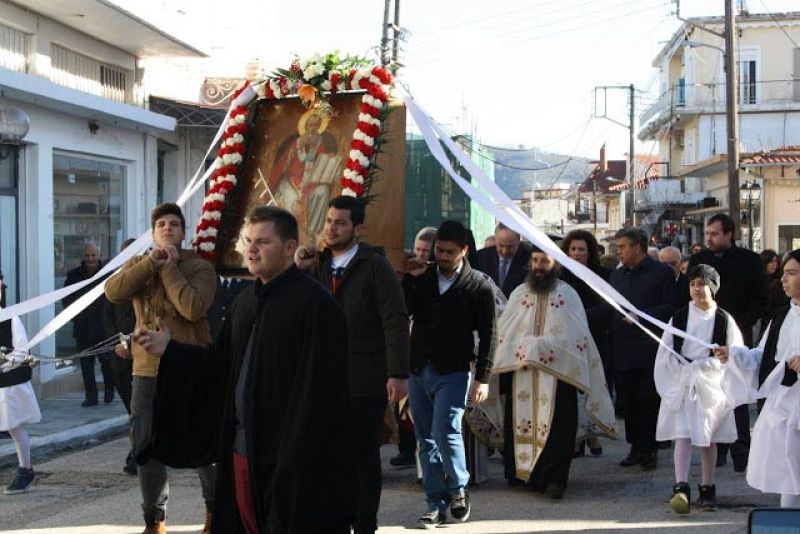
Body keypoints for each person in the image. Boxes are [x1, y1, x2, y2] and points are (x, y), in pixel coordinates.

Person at [134, 206, 354, 533]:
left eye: (263, 242)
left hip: (290, 458)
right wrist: (171, 350)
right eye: (249, 240)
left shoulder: (316, 306)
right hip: (241, 450)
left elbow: (320, 394)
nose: (251, 249)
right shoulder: (245, 302)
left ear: (290, 247)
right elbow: (219, 365)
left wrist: (296, 458)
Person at [295, 195, 409, 534]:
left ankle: (364, 525)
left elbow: (395, 320)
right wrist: (298, 268)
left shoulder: (374, 266)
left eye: (340, 222)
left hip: (365, 377)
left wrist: (397, 372)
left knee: (362, 456)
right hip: (322, 376)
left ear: (357, 228)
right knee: (328, 456)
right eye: (329, 221)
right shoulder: (315, 265)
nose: (331, 228)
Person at [105, 203, 217, 534]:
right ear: (153, 233)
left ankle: (215, 512)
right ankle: (155, 520)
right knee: (144, 443)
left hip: (188, 368)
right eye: (161, 225)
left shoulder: (199, 268)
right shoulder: (141, 264)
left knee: (201, 443)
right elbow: (113, 292)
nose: (167, 229)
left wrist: (169, 268)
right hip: (146, 370)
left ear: (184, 233)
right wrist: (150, 264)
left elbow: (193, 308)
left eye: (174, 225)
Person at [492, 245, 616, 498]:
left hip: (559, 375)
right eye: (535, 260)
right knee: (519, 421)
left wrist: (543, 347)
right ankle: (522, 473)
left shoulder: (567, 295)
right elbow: (505, 332)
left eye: (544, 261)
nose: (538, 266)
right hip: (522, 372)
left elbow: (576, 337)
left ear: (556, 265)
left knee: (558, 428)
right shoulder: (518, 294)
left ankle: (554, 479)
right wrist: (526, 348)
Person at [402, 220, 495, 528]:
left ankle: (458, 490)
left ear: (464, 251)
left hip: (453, 371)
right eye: (438, 250)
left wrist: (482, 377)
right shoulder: (422, 276)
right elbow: (405, 311)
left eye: (448, 251)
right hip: (418, 369)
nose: (441, 256)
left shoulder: (478, 285)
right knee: (424, 439)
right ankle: (434, 503)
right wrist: (411, 281)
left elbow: (489, 335)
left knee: (446, 430)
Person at [653, 265, 744, 514]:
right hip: (683, 382)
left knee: (707, 437)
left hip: (710, 384)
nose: (696, 289)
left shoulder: (724, 319)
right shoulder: (680, 317)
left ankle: (707, 486)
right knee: (682, 435)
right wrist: (679, 375)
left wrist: (711, 365)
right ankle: (680, 485)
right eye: (692, 284)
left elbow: (735, 351)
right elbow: (667, 350)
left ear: (712, 287)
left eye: (701, 284)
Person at [715, 249, 800, 508]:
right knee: (790, 474)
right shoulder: (782, 316)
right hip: (784, 405)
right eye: (783, 273)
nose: (783, 279)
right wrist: (735, 355)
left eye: (792, 273)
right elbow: (762, 358)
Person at [688, 213, 767, 471]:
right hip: (704, 335)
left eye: (714, 234)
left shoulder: (749, 261)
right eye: (707, 234)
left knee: (737, 390)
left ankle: (741, 449)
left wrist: (738, 323)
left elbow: (759, 300)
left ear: (729, 234)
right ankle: (716, 448)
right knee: (711, 392)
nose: (709, 238)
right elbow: (688, 296)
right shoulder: (700, 260)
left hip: (737, 333)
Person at [610, 228, 680, 471]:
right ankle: (635, 447)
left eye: (622, 247)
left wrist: (641, 316)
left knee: (647, 401)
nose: (618, 251)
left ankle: (649, 449)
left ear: (637, 247)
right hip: (622, 349)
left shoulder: (661, 273)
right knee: (628, 402)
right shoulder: (617, 276)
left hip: (650, 349)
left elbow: (671, 307)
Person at [559, 229, 612, 457]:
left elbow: (607, 306)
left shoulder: (602, 274)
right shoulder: (560, 275)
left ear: (590, 252)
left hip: (594, 335)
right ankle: (578, 438)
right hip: (566, 338)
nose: (577, 253)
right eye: (573, 249)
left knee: (592, 386)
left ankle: (592, 435)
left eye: (582, 249)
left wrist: (581, 316)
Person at [391, 226, 438, 470]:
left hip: (429, 350)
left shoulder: (438, 277)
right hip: (407, 346)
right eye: (417, 250)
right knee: (403, 400)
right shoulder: (405, 274)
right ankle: (406, 448)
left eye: (425, 251)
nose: (420, 256)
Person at [0, 275, 41, 495]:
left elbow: (22, 351)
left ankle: (26, 470)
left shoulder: (10, 318)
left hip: (8, 383)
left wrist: (3, 365)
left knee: (14, 427)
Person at [63, 242, 115, 407]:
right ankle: (91, 397)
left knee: (107, 364)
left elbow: (115, 299)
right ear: (83, 256)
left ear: (99, 255)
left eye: (94, 255)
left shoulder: (108, 274)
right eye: (88, 255)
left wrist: (111, 322)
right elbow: (67, 300)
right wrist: (77, 317)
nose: (91, 259)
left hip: (104, 328)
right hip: (83, 328)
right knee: (86, 366)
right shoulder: (73, 276)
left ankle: (109, 393)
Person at [103, 238, 138, 476]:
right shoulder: (114, 284)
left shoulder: (149, 282)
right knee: (131, 408)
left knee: (141, 408)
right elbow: (106, 318)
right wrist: (118, 343)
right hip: (119, 357)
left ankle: (137, 454)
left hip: (143, 357)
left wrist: (132, 344)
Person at [475, 223, 531, 298]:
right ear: (496, 240)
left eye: (510, 247)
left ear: (518, 242)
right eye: (501, 245)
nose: (505, 251)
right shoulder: (481, 257)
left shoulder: (529, 259)